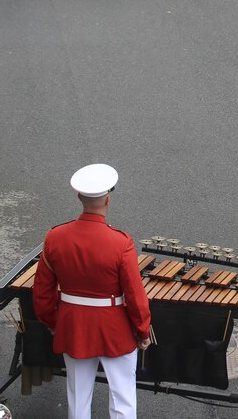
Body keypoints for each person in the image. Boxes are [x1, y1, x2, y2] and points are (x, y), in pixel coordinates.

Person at [32, 164, 152, 419]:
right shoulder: (121, 242)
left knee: (77, 397)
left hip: (74, 326)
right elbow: (134, 293)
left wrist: (53, 322)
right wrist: (142, 330)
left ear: (79, 197)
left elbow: (42, 290)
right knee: (123, 399)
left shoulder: (55, 237)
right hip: (114, 328)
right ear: (108, 199)